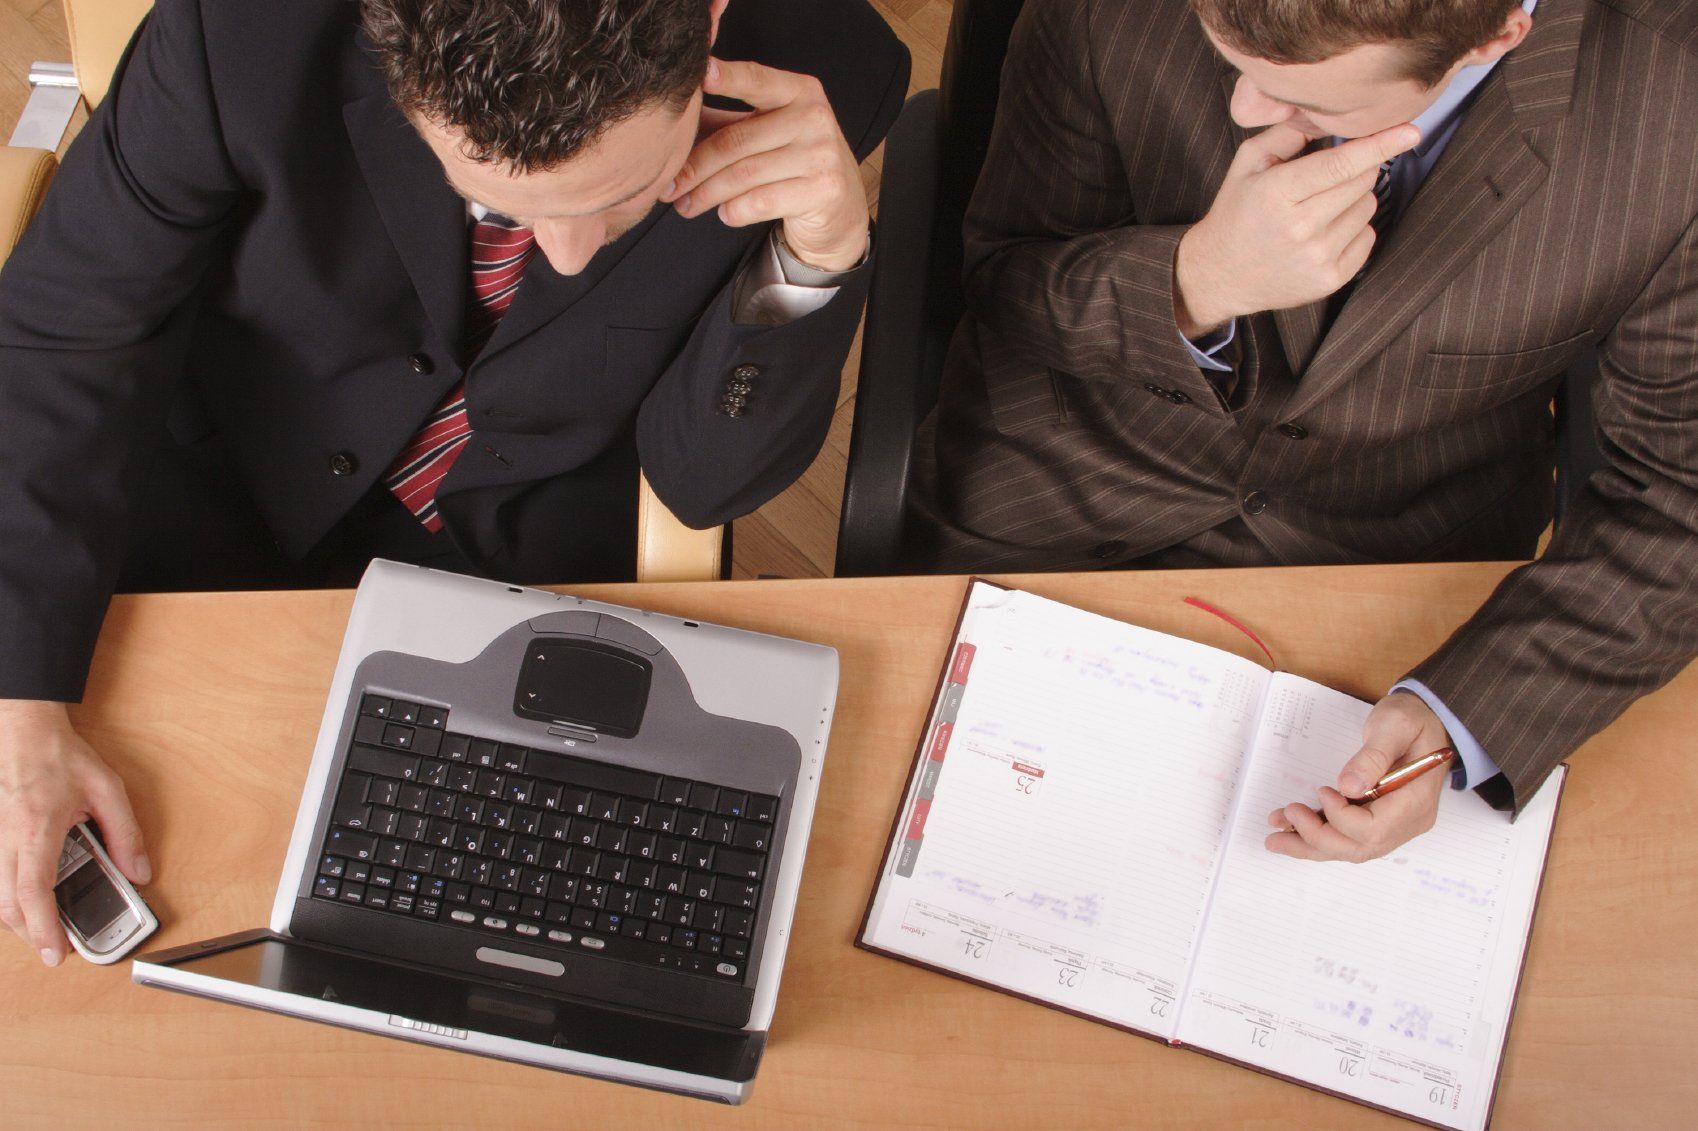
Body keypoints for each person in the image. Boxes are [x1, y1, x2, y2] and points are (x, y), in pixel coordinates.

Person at [0, 0, 907, 967]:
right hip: (211, 494)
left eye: (629, 189)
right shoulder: (243, 29)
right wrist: (17, 697)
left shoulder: (829, 72)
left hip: (523, 582)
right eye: (503, 206)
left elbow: (700, 481)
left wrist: (814, 258)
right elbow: (65, 336)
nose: (568, 251)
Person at [909, 0, 1698, 863]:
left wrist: (1465, 714)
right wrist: (1190, 281)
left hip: (1398, 587)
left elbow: (1679, 497)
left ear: (1496, 39)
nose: (1245, 109)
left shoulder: (1673, 105)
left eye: (1311, 105)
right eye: (1231, 63)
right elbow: (1003, 279)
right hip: (1053, 505)